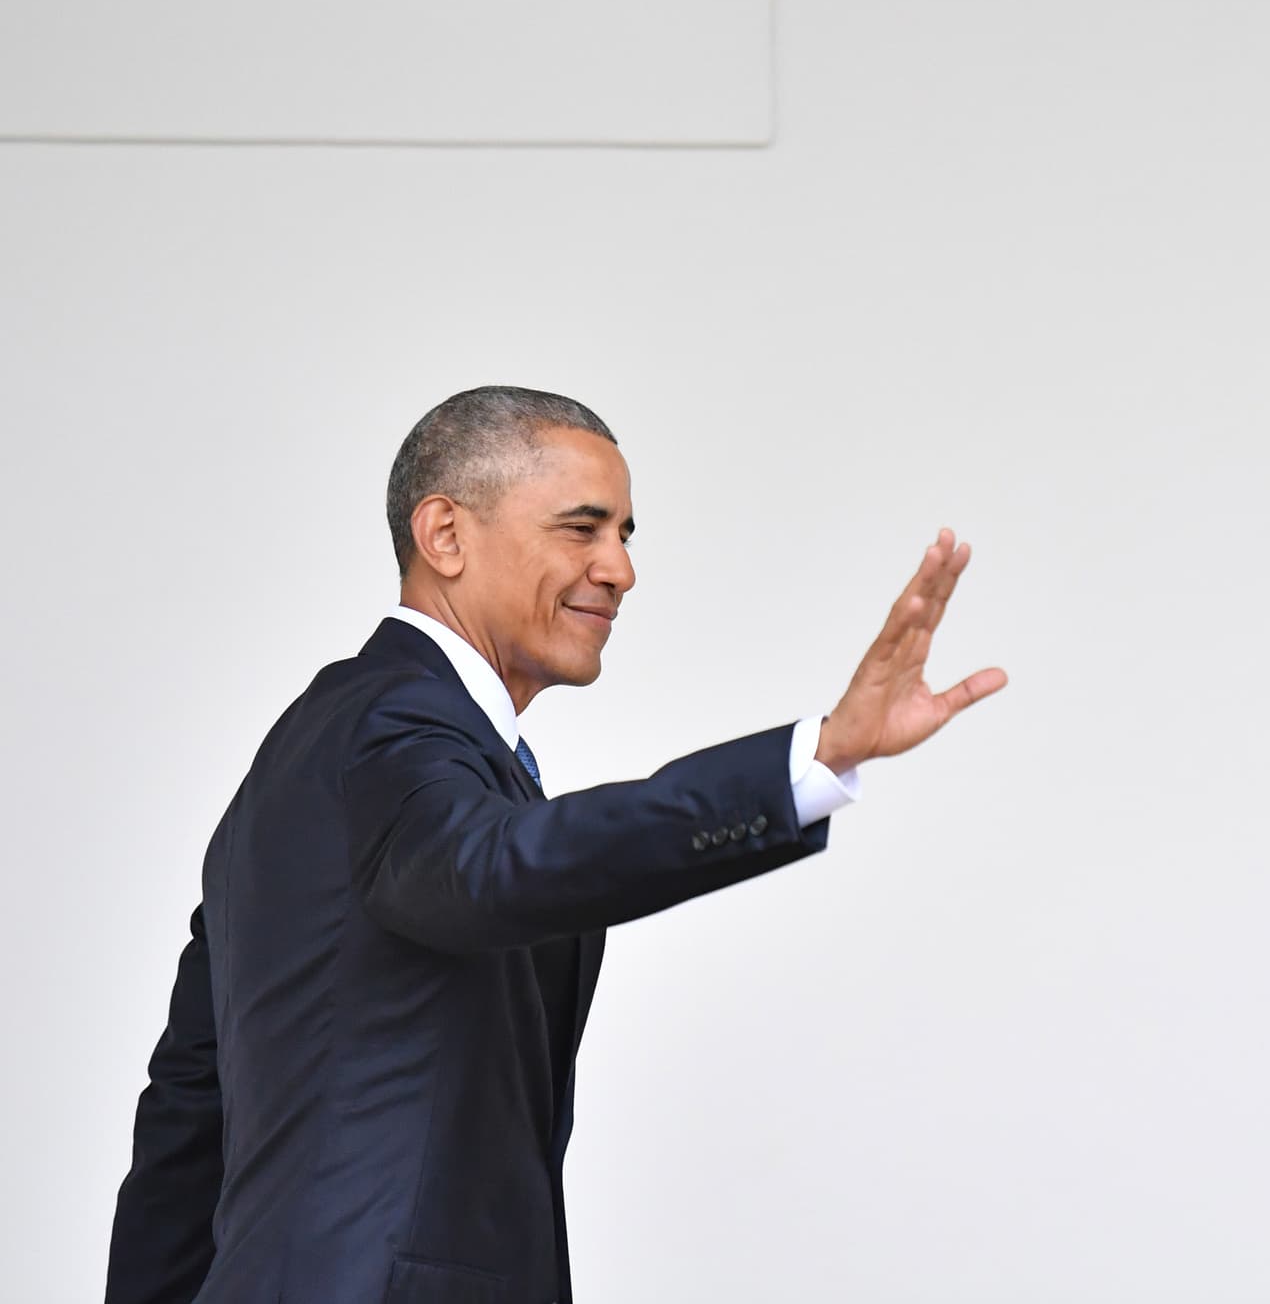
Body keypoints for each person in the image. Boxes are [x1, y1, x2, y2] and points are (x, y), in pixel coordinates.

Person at [105, 386, 1008, 1304]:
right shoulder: (391, 726)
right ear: (445, 536)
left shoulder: (321, 750)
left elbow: (189, 1109)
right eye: (582, 529)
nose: (618, 569)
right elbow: (492, 865)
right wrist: (811, 760)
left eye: (625, 533)